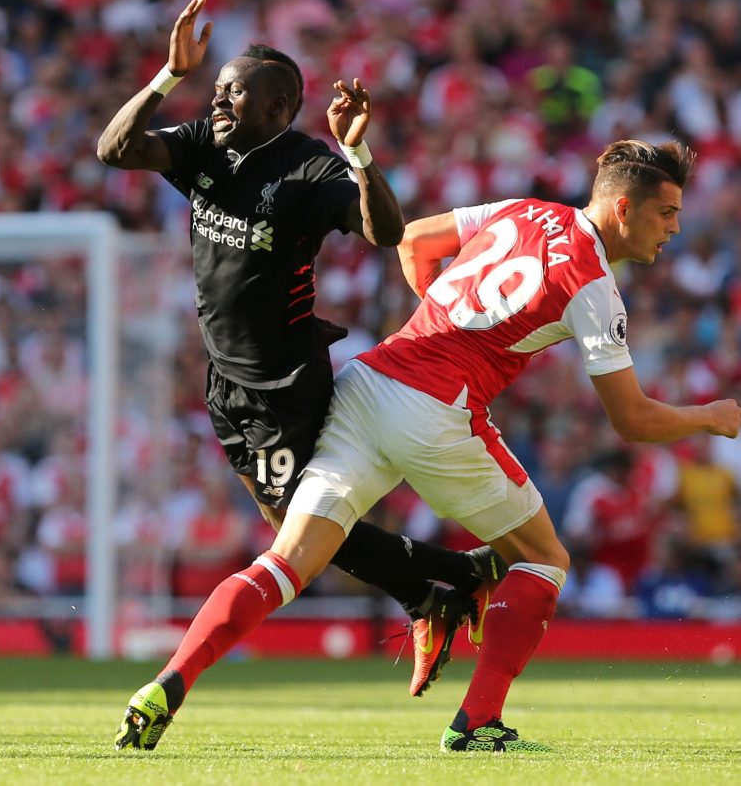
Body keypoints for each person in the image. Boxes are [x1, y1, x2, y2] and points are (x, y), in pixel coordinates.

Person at [114, 137, 741, 752]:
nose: (675, 228)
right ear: (624, 208)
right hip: (437, 413)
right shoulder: (595, 285)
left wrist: (444, 316)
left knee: (286, 562)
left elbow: (414, 239)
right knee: (543, 558)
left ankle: (167, 682)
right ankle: (478, 721)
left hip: (370, 380)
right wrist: (712, 417)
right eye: (667, 212)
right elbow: (631, 420)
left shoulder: (525, 209)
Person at [98, 0, 501, 738]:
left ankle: (455, 576)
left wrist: (357, 152)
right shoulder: (202, 147)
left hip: (283, 385)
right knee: (289, 522)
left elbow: (386, 232)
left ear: (279, 104)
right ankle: (435, 591)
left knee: (297, 536)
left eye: (234, 88)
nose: (217, 96)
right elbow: (114, 150)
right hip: (224, 379)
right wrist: (165, 75)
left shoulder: (310, 171)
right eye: (215, 86)